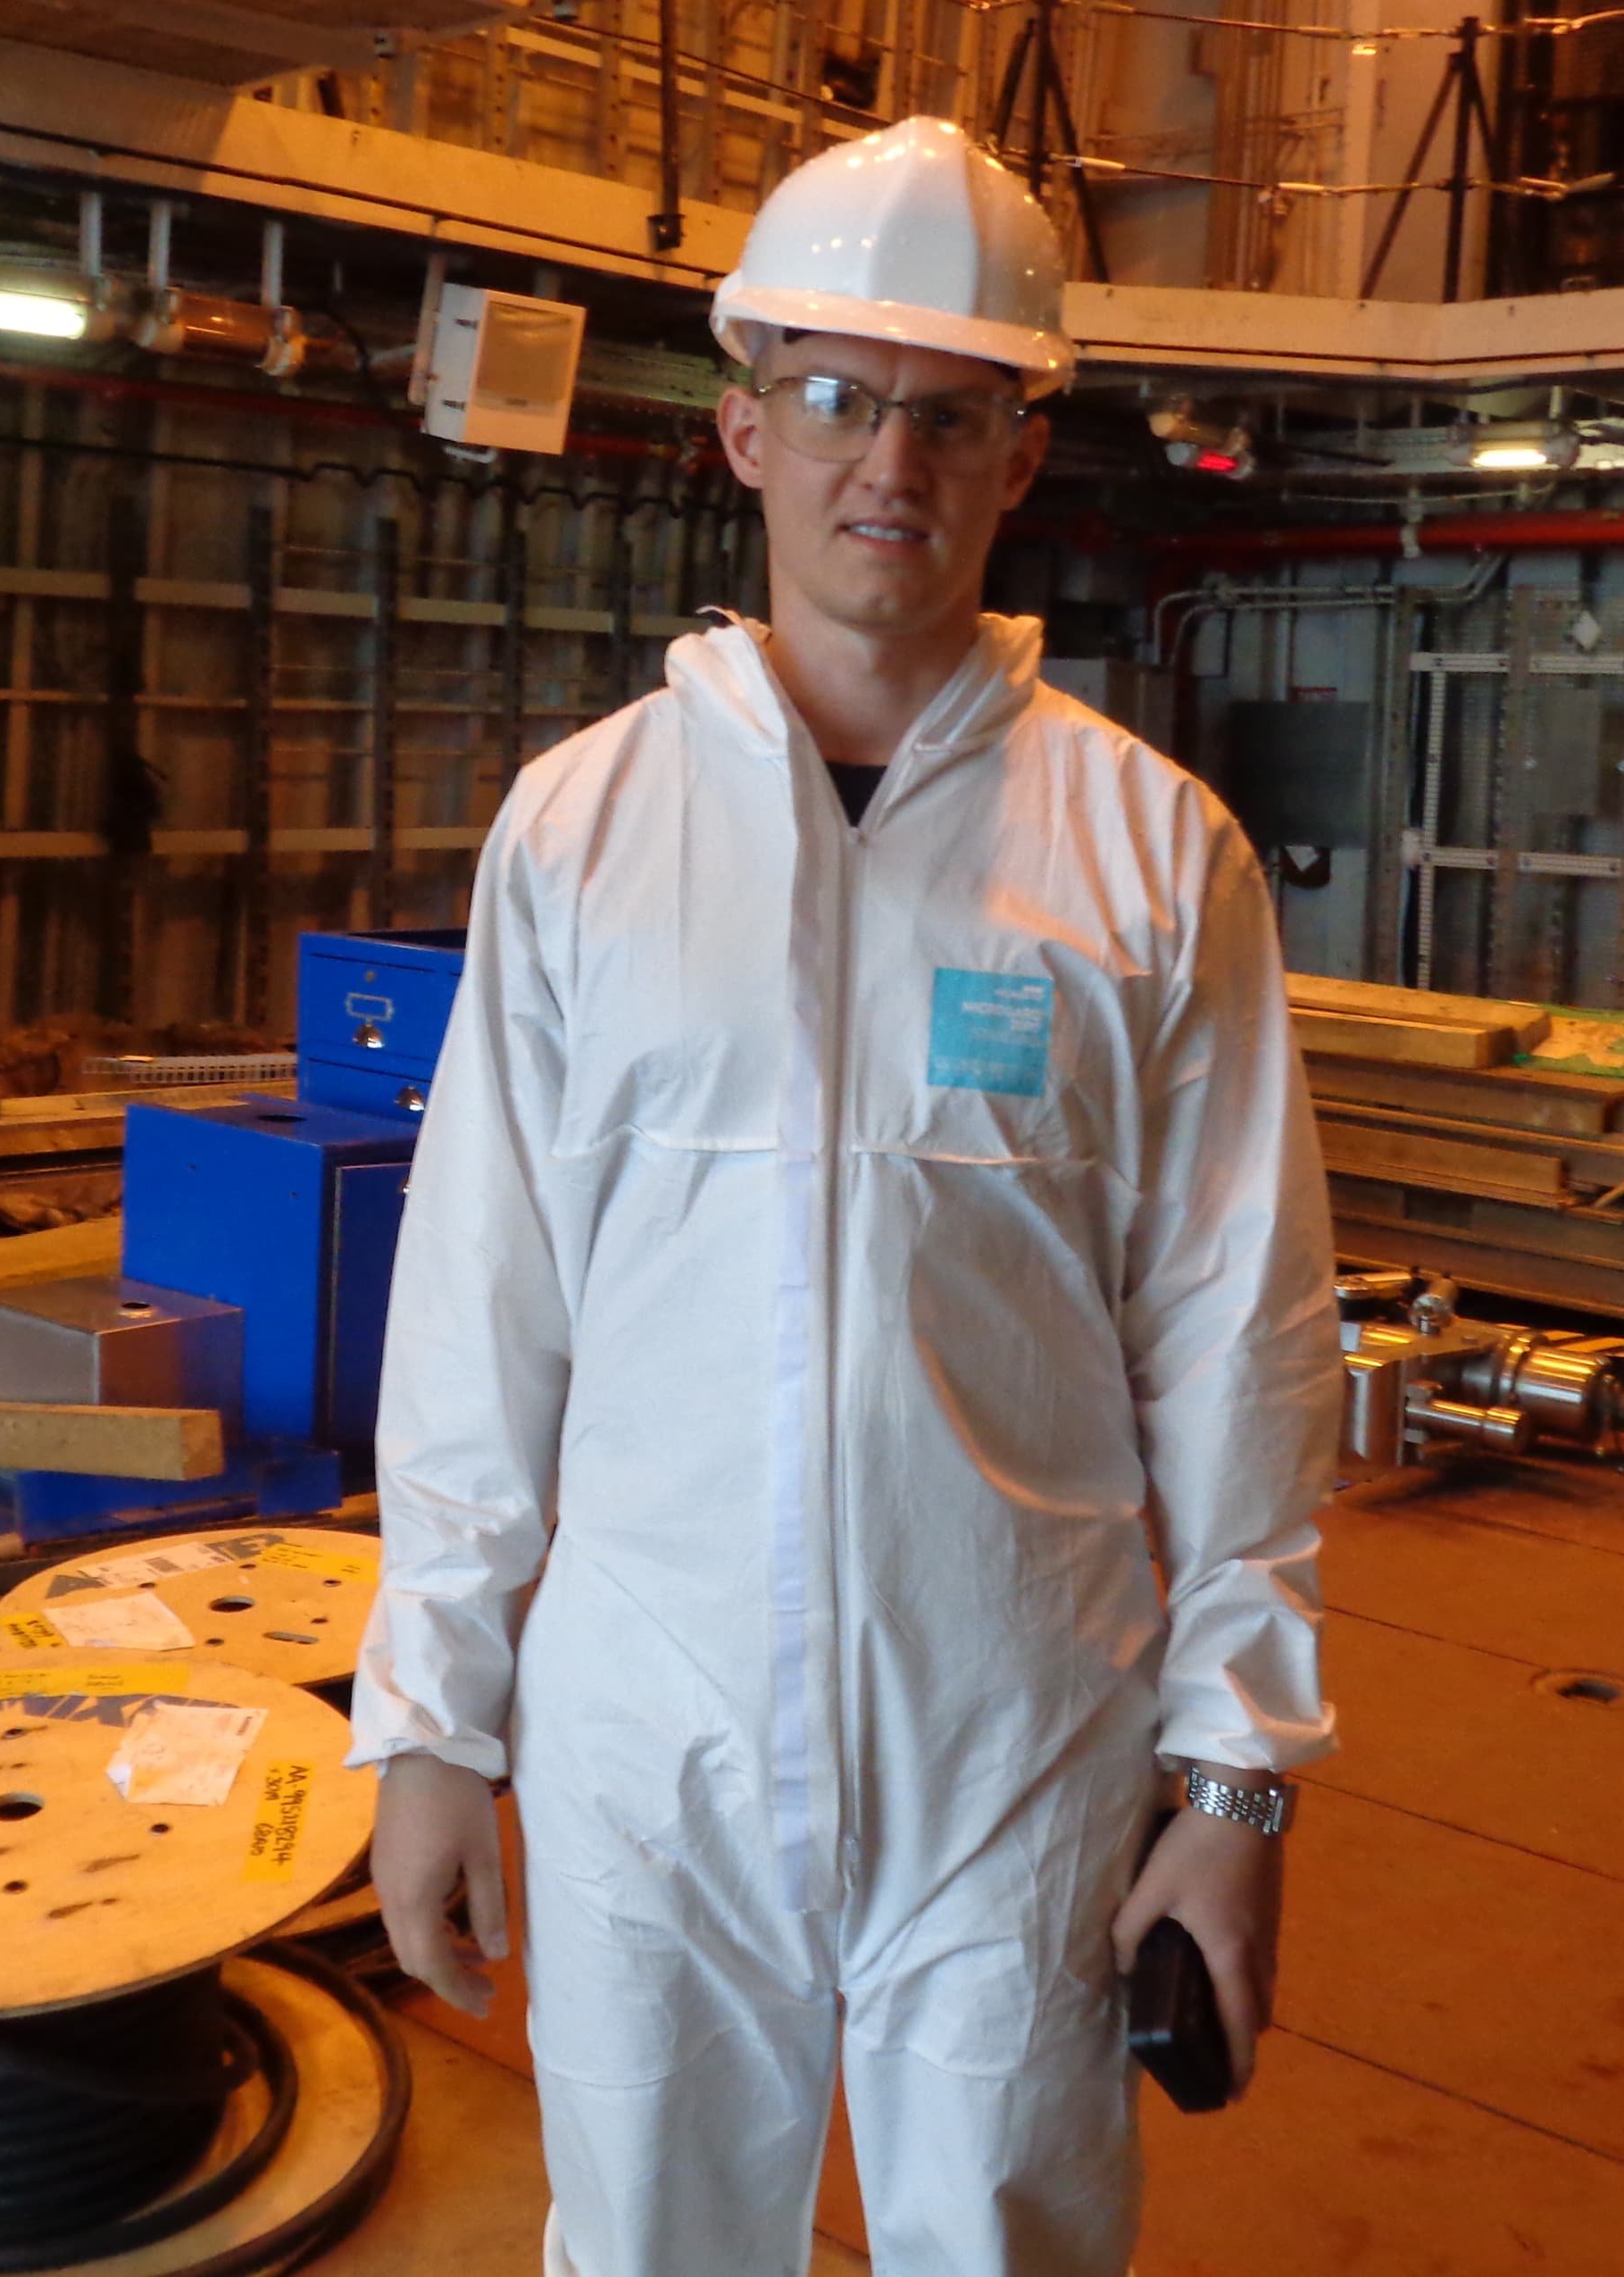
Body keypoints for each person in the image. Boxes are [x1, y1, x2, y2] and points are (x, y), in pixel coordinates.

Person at [346, 115, 1340, 2277]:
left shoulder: (1152, 861)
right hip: (647, 1745)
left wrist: (1238, 1780)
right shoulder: (585, 830)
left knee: (1005, 2242)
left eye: (951, 411)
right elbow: (484, 1297)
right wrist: (433, 1721)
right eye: (837, 394)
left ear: (1017, 452)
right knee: (652, 2248)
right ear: (741, 427)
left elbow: (1244, 1332)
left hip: (1019, 1739)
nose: (889, 457)